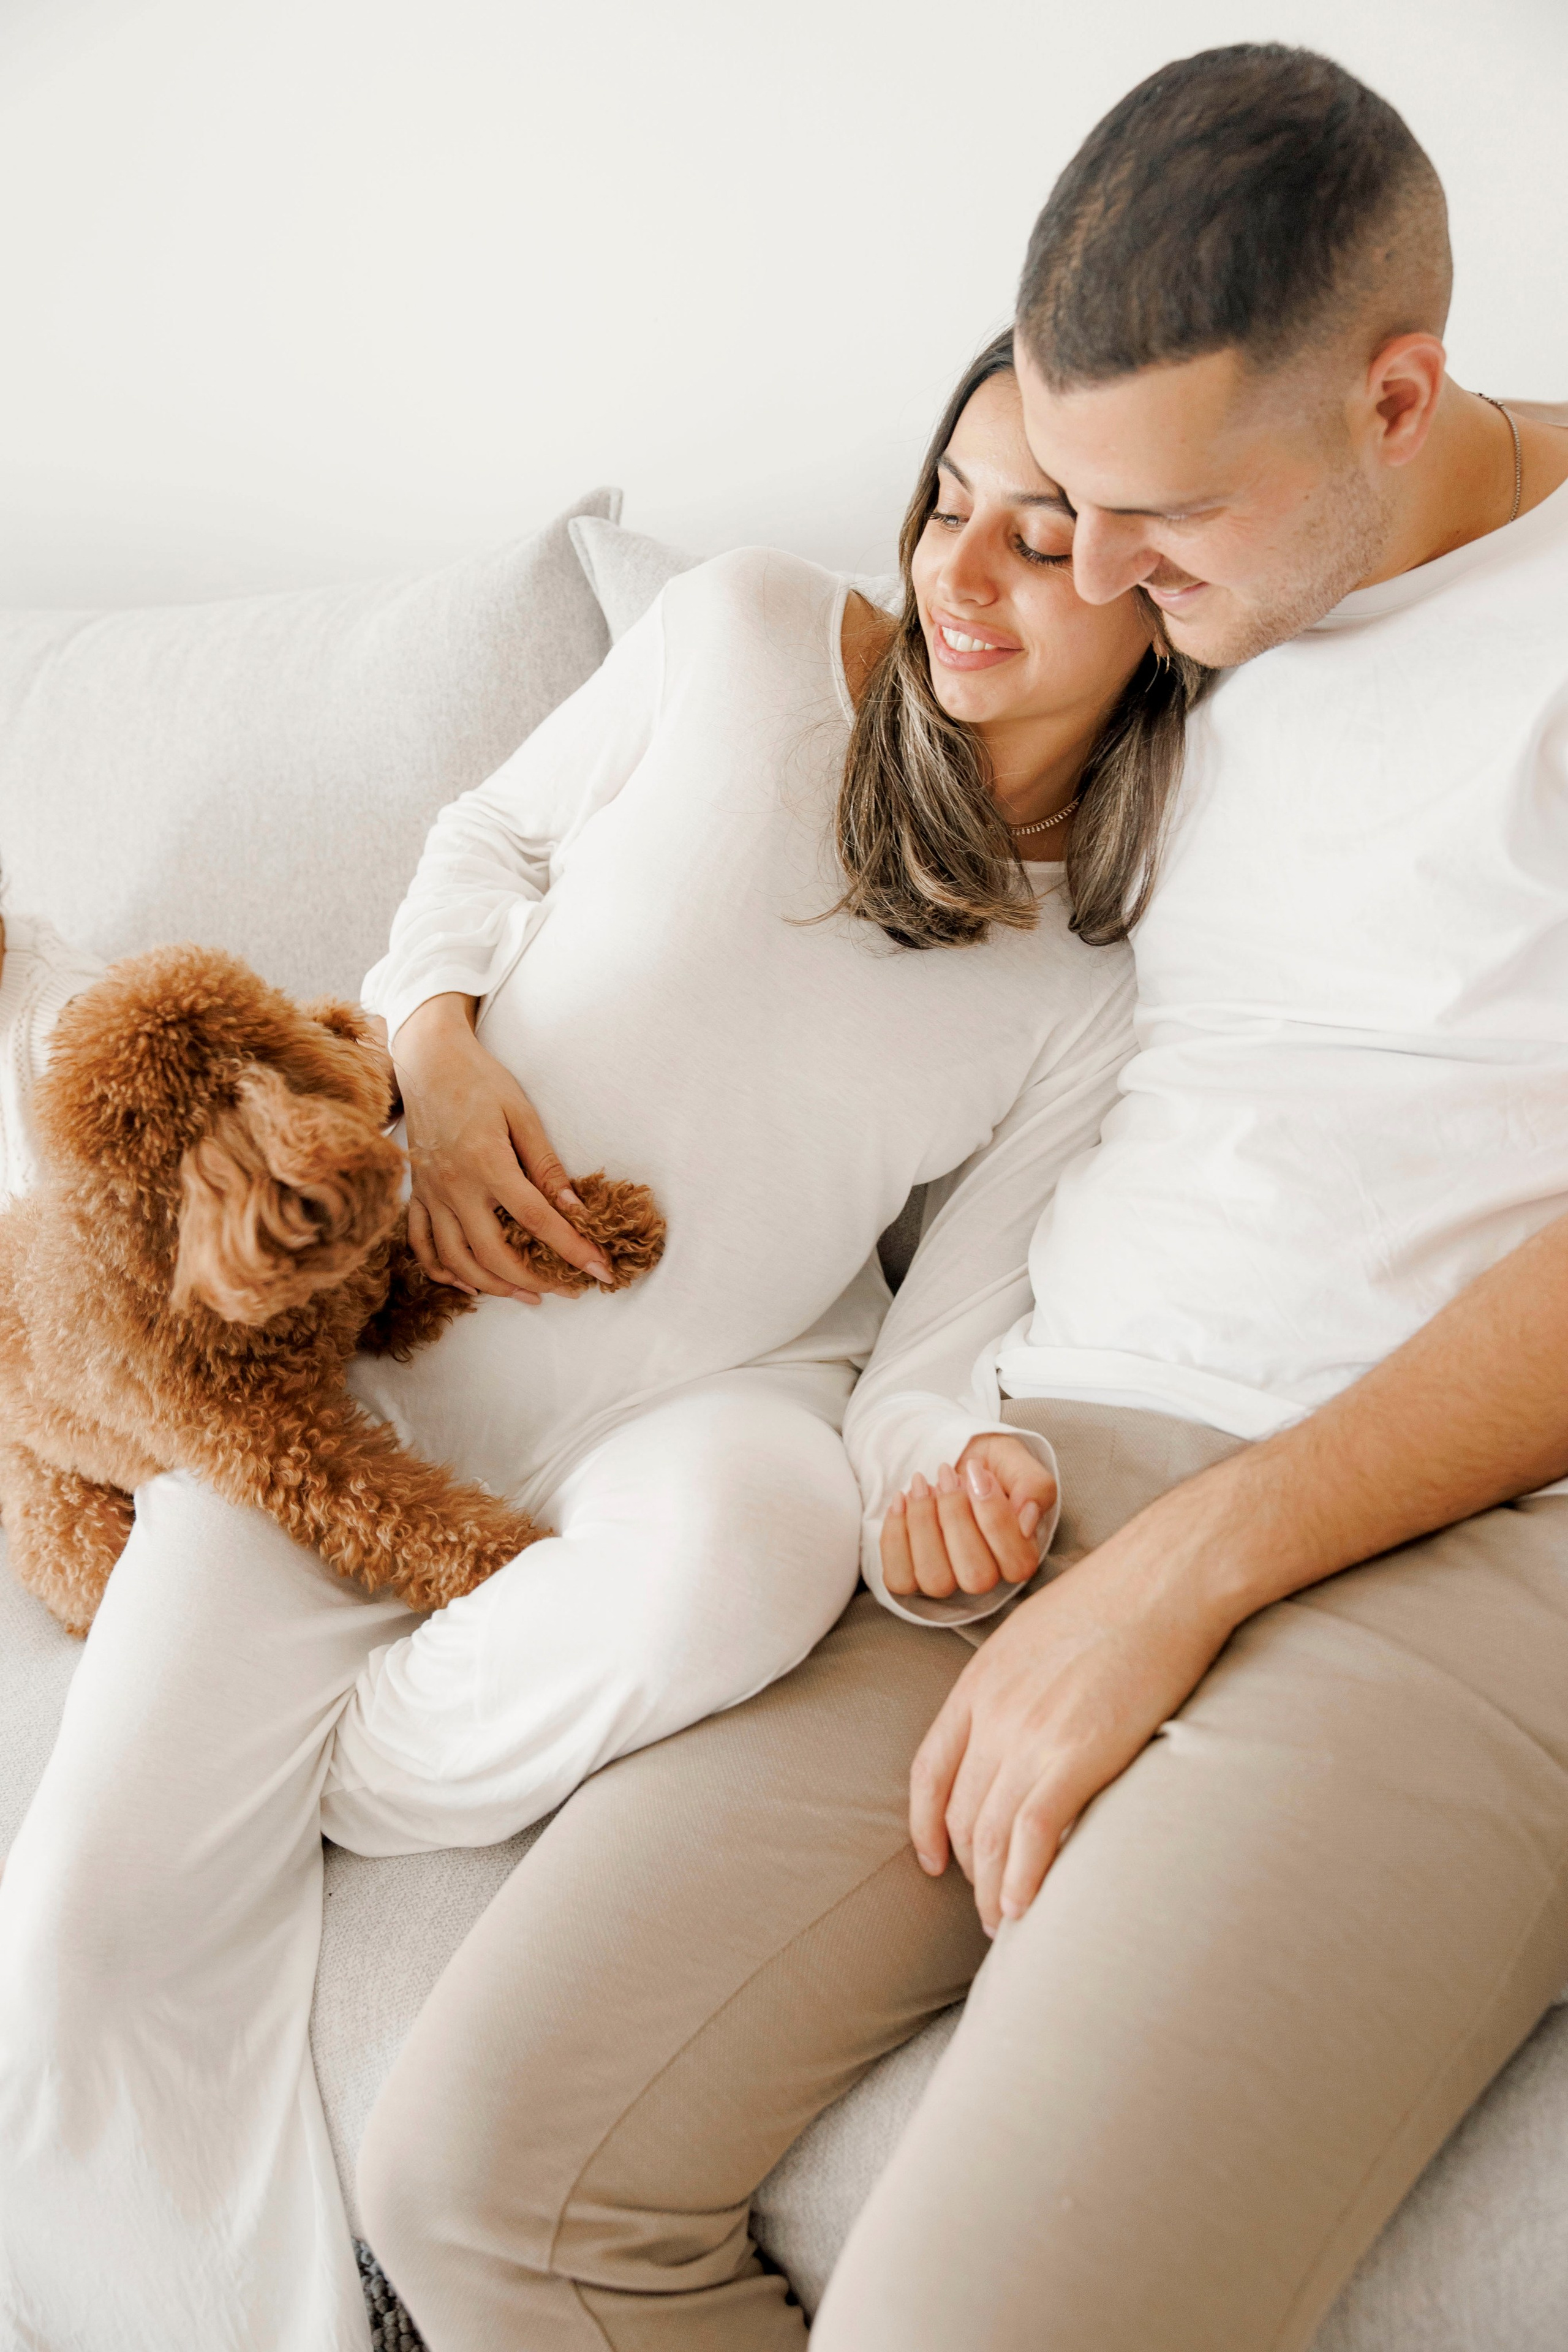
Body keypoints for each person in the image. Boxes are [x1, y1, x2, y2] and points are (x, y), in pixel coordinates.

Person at [347, 45, 1568, 2352]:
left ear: (1400, 398)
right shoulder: (1183, 637)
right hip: (1030, 1470)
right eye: (1047, 499)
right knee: (474, 2182)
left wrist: (1188, 1578)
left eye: (1154, 529)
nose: (1084, 579)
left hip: (1447, 1539)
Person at [0, 342, 1187, 2349]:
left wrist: (958, 1481)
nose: (961, 569)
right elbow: (481, 846)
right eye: (951, 498)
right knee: (76, 1948)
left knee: (762, 1546)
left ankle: (291, 1768)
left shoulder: (1087, 988)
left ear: (1163, 598)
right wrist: (442, 1058)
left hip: (725, 1386)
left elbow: (933, 1352)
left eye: (1046, 540)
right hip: (381, 1369)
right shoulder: (737, 637)